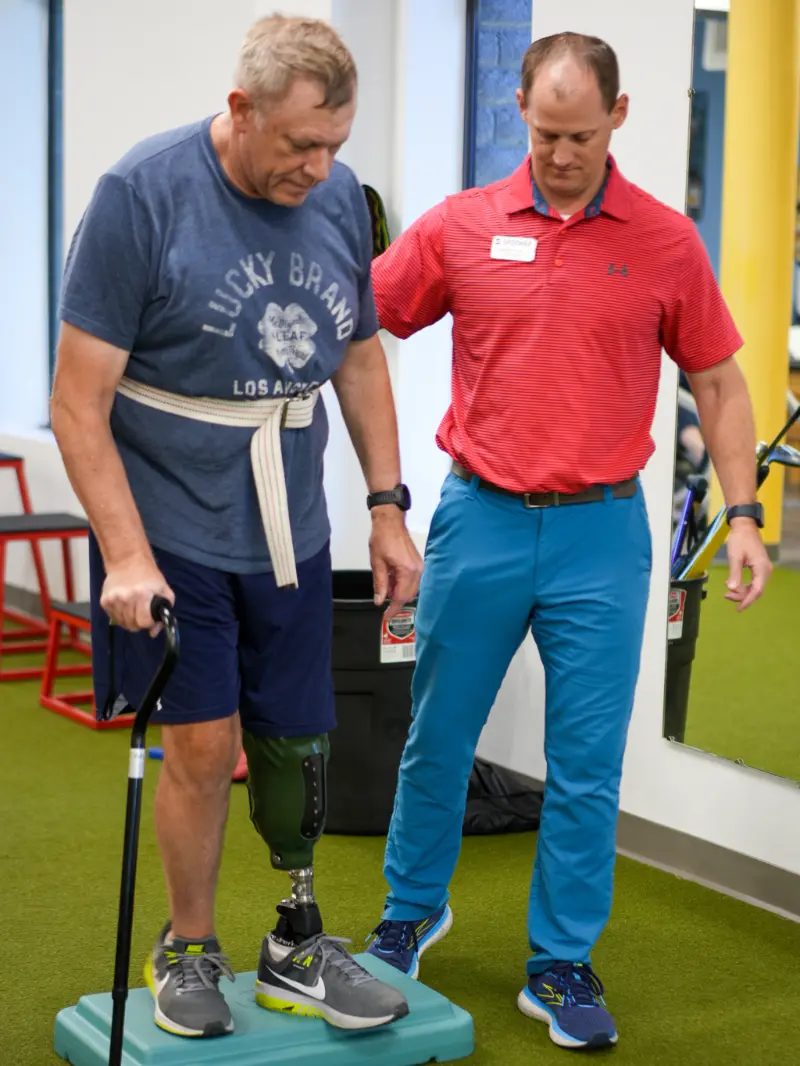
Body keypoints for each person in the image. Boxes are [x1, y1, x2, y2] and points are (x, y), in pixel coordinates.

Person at [364, 32, 772, 1053]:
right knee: (436, 736)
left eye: (579, 135)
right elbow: (360, 317)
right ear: (518, 112)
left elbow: (717, 380)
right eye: (543, 132)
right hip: (479, 518)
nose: (557, 153)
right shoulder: (461, 226)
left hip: (600, 533)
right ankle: (411, 910)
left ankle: (558, 962)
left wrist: (744, 511)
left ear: (618, 119)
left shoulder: (665, 240)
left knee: (584, 765)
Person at [50, 14, 422, 1040]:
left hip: (288, 523)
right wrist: (123, 551)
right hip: (166, 519)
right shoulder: (143, 195)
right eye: (300, 143)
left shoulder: (341, 197)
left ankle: (295, 942)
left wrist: (386, 508)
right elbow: (79, 401)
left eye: (335, 144)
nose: (319, 166)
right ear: (240, 109)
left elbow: (356, 357)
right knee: (205, 745)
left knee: (301, 742)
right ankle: (189, 946)